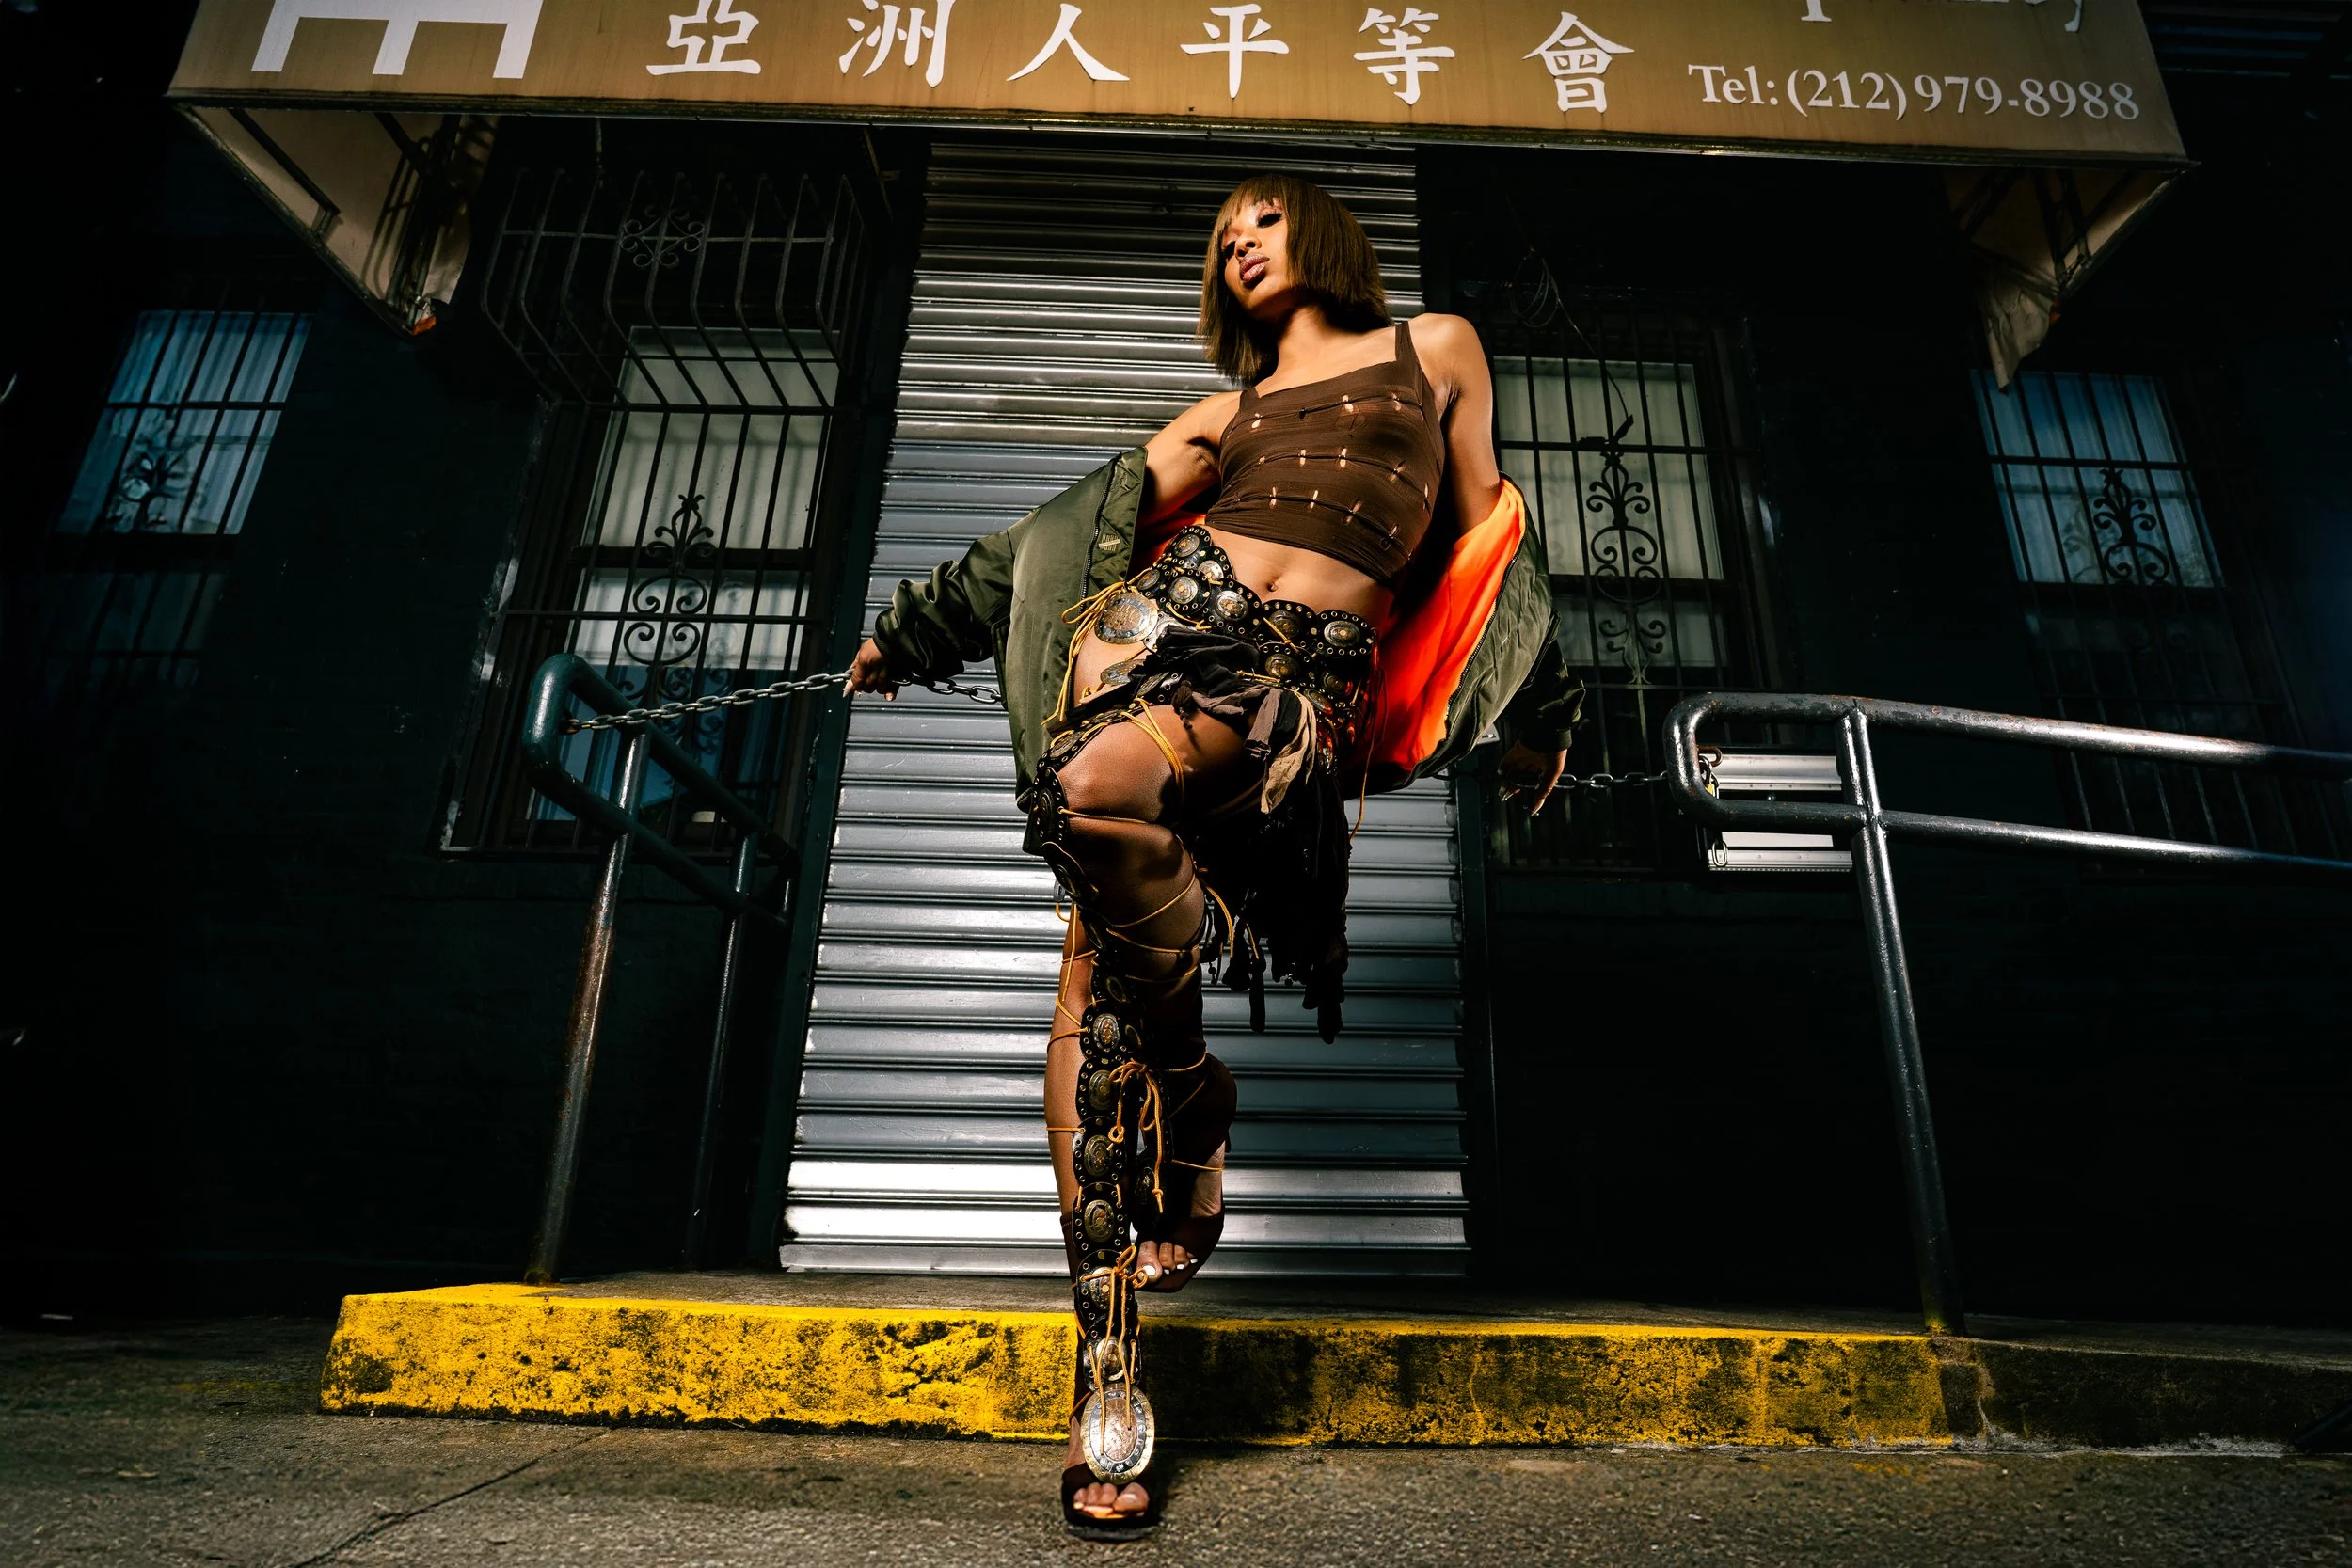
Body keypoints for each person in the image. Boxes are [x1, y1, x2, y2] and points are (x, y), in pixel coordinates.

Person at [845, 173, 1584, 1539]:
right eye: (1221, 234)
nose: (1239, 240)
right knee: (1090, 983)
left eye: (1261, 216)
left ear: (1324, 231)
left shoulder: (1439, 349)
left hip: (1288, 707)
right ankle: (1108, 1370)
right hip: (1154, 649)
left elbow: (1489, 541)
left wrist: (1539, 716)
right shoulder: (1223, 417)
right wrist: (913, 628)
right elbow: (1055, 532)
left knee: (1094, 791)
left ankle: (1194, 1095)